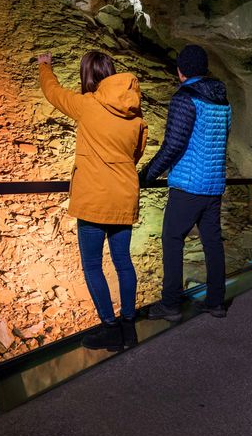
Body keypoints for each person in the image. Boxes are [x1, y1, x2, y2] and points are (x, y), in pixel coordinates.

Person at [38, 51, 148, 351]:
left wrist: (45, 65)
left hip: (94, 199)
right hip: (124, 195)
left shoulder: (88, 105)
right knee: (124, 263)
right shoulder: (136, 115)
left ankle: (110, 329)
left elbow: (53, 93)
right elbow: (136, 153)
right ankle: (129, 328)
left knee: (92, 265)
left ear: (87, 75)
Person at [140, 44, 231, 321]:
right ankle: (216, 302)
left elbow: (173, 145)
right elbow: (223, 137)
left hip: (189, 185)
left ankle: (170, 304)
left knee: (172, 238)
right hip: (214, 184)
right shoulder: (222, 98)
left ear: (181, 71)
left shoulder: (185, 98)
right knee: (212, 242)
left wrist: (146, 175)